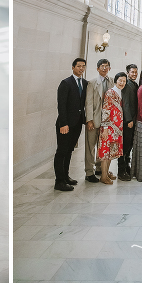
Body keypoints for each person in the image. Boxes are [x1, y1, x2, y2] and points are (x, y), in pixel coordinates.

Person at [53, 58, 88, 191]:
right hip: (65, 124)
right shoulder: (65, 83)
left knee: (69, 150)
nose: (81, 68)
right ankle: (59, 181)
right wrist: (63, 123)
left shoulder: (84, 83)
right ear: (73, 67)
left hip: (77, 123)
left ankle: (66, 176)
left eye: (83, 66)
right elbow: (61, 105)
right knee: (61, 151)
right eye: (78, 66)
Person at [85, 59, 112, 182]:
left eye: (107, 66)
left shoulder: (112, 81)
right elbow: (89, 103)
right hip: (95, 119)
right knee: (90, 146)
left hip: (107, 121)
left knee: (102, 146)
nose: (105, 68)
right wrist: (89, 120)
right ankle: (89, 172)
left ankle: (100, 168)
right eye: (102, 66)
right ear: (97, 68)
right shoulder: (92, 83)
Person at [97, 72, 125, 185]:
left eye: (124, 81)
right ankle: (103, 176)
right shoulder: (110, 92)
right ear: (115, 81)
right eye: (120, 80)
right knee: (105, 151)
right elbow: (106, 110)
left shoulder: (121, 92)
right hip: (108, 127)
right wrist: (105, 128)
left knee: (111, 151)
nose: (122, 83)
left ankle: (106, 172)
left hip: (117, 128)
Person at [118, 64, 139, 181]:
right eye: (132, 72)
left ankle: (127, 167)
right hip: (128, 121)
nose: (134, 74)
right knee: (125, 145)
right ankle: (121, 170)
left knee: (129, 145)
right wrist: (129, 119)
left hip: (133, 119)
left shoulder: (134, 84)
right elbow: (125, 104)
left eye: (136, 72)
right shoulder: (126, 85)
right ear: (128, 73)